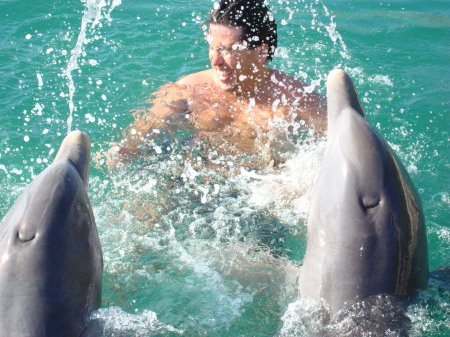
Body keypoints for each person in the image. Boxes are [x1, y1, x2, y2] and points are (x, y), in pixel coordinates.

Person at [106, 0, 326, 171]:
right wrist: (121, 152)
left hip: (263, 194)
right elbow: (136, 139)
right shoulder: (188, 91)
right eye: (213, 47)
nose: (215, 61)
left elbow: (344, 153)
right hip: (197, 181)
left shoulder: (298, 101)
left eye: (228, 50)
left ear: (261, 52)